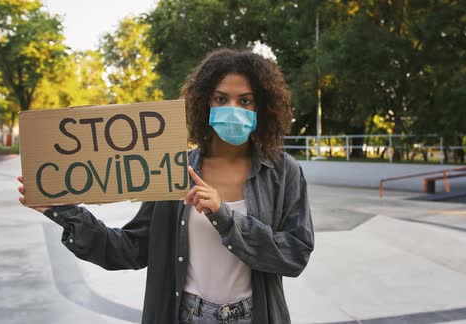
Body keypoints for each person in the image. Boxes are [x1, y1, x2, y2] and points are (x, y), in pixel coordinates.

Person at [17, 48, 314, 324]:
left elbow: (295, 255)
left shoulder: (282, 171)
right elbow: (131, 249)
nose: (231, 108)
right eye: (221, 99)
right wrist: (66, 212)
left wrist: (226, 218)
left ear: (261, 107)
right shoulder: (174, 168)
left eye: (244, 100)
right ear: (204, 102)